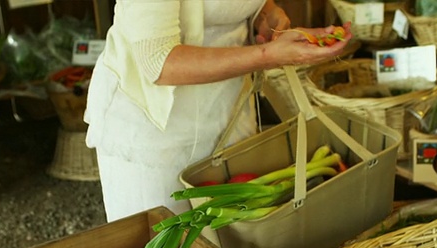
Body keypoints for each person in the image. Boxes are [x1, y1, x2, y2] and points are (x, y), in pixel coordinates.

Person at [84, 0, 352, 223]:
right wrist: (270, 55)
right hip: (157, 132)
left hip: (229, 111)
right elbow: (158, 63)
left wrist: (265, 13)